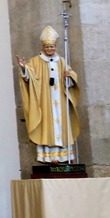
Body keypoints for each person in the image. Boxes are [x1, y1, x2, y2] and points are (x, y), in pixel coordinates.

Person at [16, 26, 80, 164]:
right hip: (45, 102)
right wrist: (23, 68)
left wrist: (69, 77)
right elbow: (29, 77)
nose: (50, 49)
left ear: (55, 47)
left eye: (52, 47)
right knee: (47, 126)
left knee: (62, 125)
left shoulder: (62, 61)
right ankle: (48, 156)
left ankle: (63, 156)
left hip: (61, 101)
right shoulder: (35, 61)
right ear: (43, 47)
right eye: (47, 47)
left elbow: (70, 77)